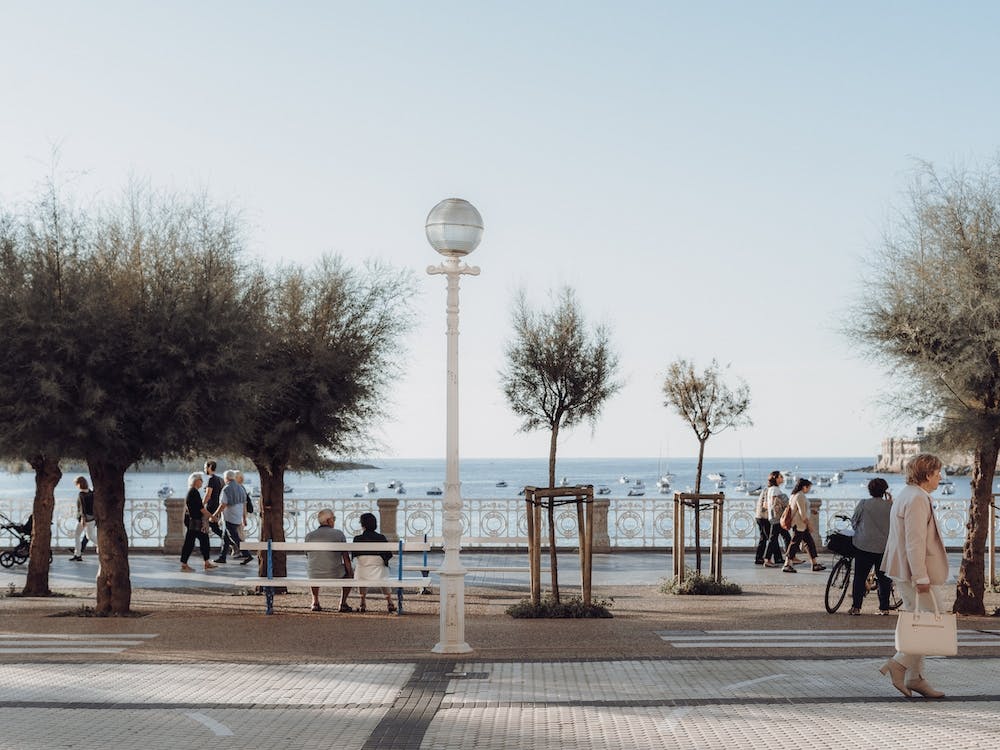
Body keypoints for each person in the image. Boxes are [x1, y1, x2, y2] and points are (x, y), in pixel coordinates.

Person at [879, 453, 949, 699]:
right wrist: (920, 576)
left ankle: (915, 678)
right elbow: (915, 541)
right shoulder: (918, 498)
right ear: (927, 474)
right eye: (938, 472)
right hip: (913, 572)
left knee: (918, 622)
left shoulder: (906, 495)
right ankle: (898, 666)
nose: (940, 477)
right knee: (933, 620)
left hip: (901, 569)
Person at [848, 477, 894, 615]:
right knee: (884, 579)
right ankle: (884, 608)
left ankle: (856, 607)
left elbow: (854, 521)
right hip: (884, 547)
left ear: (870, 490)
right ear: (885, 491)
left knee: (859, 577)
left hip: (864, 545)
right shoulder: (891, 505)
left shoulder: (863, 503)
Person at [304, 509, 353, 612]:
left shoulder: (309, 536)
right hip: (334, 573)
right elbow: (346, 558)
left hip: (314, 575)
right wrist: (351, 573)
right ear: (329, 520)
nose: (334, 521)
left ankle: (315, 602)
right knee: (348, 572)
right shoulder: (339, 534)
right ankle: (342, 603)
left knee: (314, 566)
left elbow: (308, 556)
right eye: (333, 519)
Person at [352, 512, 397, 613]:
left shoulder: (357, 539)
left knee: (361, 568)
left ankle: (362, 602)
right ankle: (389, 602)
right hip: (380, 572)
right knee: (382, 571)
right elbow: (388, 555)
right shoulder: (381, 538)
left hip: (362, 572)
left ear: (362, 525)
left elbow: (354, 554)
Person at [783, 478, 825, 573]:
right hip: (800, 524)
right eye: (809, 487)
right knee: (794, 544)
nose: (809, 489)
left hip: (799, 524)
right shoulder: (800, 495)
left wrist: (811, 510)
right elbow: (802, 514)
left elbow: (801, 508)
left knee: (809, 543)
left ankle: (814, 564)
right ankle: (786, 564)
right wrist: (809, 525)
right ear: (804, 487)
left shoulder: (794, 495)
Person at [213, 470, 253, 565]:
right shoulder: (241, 488)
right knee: (225, 537)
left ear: (226, 478)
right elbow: (244, 505)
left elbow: (223, 505)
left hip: (229, 517)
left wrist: (214, 515)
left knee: (234, 537)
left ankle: (247, 554)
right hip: (237, 516)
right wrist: (244, 518)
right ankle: (222, 557)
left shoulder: (226, 489)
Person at [180, 472, 216, 572]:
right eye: (201, 480)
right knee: (192, 542)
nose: (202, 482)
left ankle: (206, 562)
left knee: (200, 541)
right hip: (195, 522)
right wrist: (212, 516)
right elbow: (201, 509)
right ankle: (185, 563)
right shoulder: (194, 492)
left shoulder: (191, 491)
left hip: (193, 521)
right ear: (196, 481)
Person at [761, 471, 791, 568]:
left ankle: (790, 557)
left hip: (775, 517)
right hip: (777, 518)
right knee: (773, 539)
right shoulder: (774, 489)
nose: (782, 478)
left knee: (786, 537)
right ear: (776, 478)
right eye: (781, 477)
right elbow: (775, 504)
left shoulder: (772, 489)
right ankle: (767, 559)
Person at [203, 460, 227, 556]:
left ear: (210, 467)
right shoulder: (219, 479)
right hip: (217, 506)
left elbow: (208, 495)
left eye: (205, 467)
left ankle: (229, 541)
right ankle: (229, 542)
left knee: (208, 527)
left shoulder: (211, 479)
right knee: (214, 528)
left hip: (211, 507)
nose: (204, 469)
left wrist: (201, 504)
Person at [70, 476, 96, 562]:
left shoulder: (81, 494)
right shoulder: (91, 492)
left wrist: (83, 519)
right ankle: (78, 554)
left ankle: (78, 555)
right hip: (92, 518)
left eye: (76, 484)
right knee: (88, 536)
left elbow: (82, 508)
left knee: (80, 535)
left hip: (85, 518)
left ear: (79, 484)